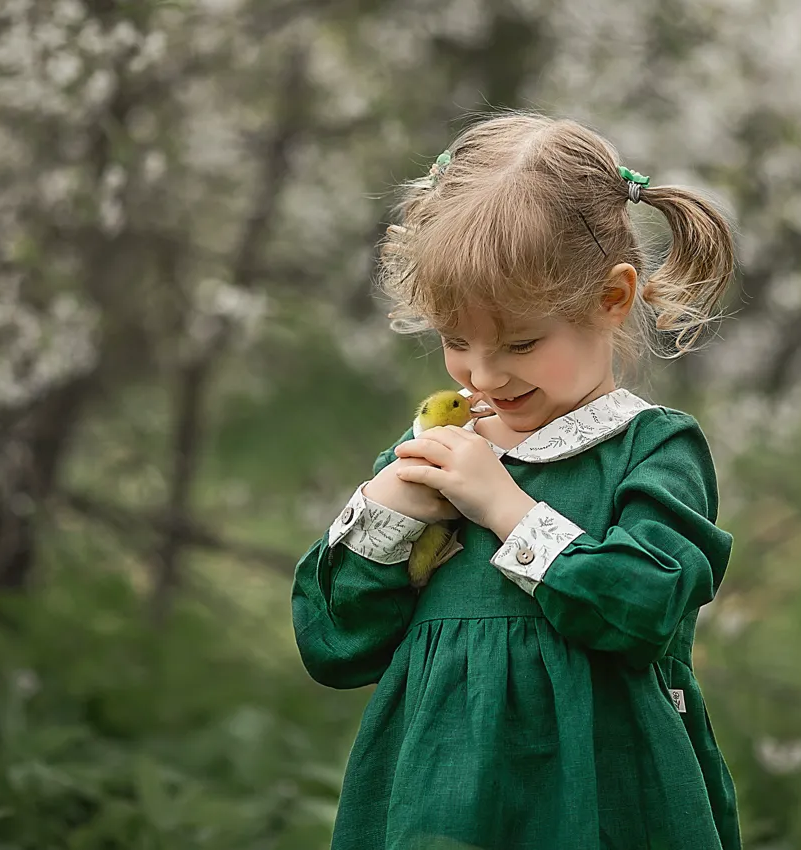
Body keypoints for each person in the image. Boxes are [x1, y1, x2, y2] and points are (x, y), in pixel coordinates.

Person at [291, 111, 742, 850]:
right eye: (455, 340)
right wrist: (384, 513)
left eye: (521, 342)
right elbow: (336, 645)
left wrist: (507, 509)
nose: (485, 373)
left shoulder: (650, 449)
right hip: (437, 800)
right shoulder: (436, 449)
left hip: (600, 799)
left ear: (612, 298)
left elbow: (645, 610)